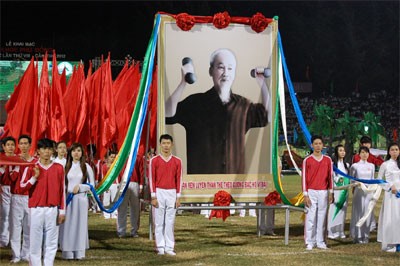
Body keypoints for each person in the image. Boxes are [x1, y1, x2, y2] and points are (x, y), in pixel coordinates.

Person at [165, 48, 271, 174]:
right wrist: (183, 82)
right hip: (202, 185)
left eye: (230, 68)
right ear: (211, 71)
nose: (226, 73)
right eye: (221, 67)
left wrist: (262, 83)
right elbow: (167, 114)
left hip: (234, 185)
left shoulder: (243, 105)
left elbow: (267, 117)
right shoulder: (195, 103)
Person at [19, 138, 66, 266]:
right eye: (44, 149)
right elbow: (21, 187)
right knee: (35, 241)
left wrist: (62, 211)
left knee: (51, 242)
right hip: (36, 209)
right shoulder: (31, 167)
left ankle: (48, 264)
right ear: (38, 151)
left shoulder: (59, 168)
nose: (47, 151)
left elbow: (63, 191)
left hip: (52, 209)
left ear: (53, 151)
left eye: (50, 149)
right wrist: (34, 177)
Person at [59, 142, 95, 260]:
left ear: (82, 153)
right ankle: (67, 252)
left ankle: (79, 252)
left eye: (79, 151)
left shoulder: (86, 167)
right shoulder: (66, 167)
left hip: (81, 199)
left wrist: (81, 187)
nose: (76, 153)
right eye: (74, 150)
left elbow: (92, 185)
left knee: (80, 224)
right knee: (67, 224)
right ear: (70, 152)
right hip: (68, 199)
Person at [150, 134, 182, 255]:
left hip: (172, 193)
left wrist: (178, 197)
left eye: (168, 143)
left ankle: (169, 247)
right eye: (164, 143)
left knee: (170, 221)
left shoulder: (177, 161)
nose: (166, 146)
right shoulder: (154, 161)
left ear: (172, 145)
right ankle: (160, 246)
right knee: (159, 221)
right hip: (159, 191)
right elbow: (152, 178)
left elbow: (179, 179)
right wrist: (153, 196)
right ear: (160, 145)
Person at [302, 135, 334, 250]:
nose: (318, 146)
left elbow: (330, 177)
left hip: (324, 192)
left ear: (323, 145)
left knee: (322, 217)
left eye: (320, 143)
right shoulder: (307, 160)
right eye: (315, 144)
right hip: (311, 192)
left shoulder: (328, 160)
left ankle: (320, 241)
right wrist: (305, 194)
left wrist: (331, 192)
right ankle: (309, 241)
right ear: (312, 145)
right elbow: (304, 178)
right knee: (311, 216)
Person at [9, 135, 37, 263]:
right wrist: (16, 164)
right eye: (21, 143)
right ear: (18, 146)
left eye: (26, 143)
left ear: (30, 145)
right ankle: (16, 255)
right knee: (15, 227)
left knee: (29, 227)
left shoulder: (35, 162)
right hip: (16, 197)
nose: (24, 146)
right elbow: (11, 179)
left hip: (30, 198)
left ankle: (26, 253)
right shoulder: (14, 160)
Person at [352, 135, 383, 232]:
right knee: (359, 207)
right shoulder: (356, 157)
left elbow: (380, 163)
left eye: (368, 143)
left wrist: (379, 156)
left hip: (370, 187)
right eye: (364, 144)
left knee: (370, 205)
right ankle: (358, 227)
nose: (367, 145)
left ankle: (371, 224)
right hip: (359, 187)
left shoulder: (372, 156)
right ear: (361, 145)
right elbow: (353, 174)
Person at [349, 146, 376, 244]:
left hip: (368, 192)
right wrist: (358, 184)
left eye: (366, 152)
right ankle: (358, 235)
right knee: (359, 212)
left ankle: (366, 235)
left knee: (367, 212)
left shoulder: (372, 166)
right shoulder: (355, 166)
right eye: (363, 152)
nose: (365, 154)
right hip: (359, 192)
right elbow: (351, 179)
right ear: (359, 154)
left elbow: (372, 179)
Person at [377, 143, 400, 252]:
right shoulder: (385, 164)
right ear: (389, 152)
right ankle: (391, 242)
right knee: (391, 217)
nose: (394, 152)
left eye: (396, 149)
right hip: (391, 196)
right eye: (392, 150)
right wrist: (390, 187)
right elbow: (379, 180)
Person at [117, 155, 144, 238]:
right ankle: (121, 231)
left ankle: (134, 231)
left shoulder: (138, 157)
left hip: (134, 183)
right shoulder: (122, 155)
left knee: (135, 209)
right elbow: (117, 169)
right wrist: (118, 183)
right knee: (122, 208)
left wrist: (141, 185)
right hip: (123, 183)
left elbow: (141, 170)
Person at [327, 144, 350, 239]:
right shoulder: (333, 165)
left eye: (343, 150)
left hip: (345, 191)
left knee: (343, 211)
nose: (342, 152)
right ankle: (331, 230)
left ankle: (340, 230)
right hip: (336, 190)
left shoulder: (347, 165)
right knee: (334, 209)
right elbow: (332, 178)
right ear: (336, 152)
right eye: (340, 150)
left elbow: (348, 178)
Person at [0, 136, 17, 247]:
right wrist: (3, 167)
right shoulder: (1, 159)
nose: (11, 147)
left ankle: (13, 239)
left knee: (15, 216)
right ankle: (3, 239)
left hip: (16, 190)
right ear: (3, 147)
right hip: (4, 188)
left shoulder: (19, 158)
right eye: (8, 145)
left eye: (12, 145)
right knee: (5, 214)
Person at [102, 150, 119, 219]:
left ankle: (115, 213)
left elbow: (118, 175)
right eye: (111, 157)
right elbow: (103, 177)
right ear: (108, 157)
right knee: (106, 200)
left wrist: (118, 184)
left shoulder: (116, 166)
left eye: (114, 157)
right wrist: (105, 186)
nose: (113, 158)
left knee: (114, 200)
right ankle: (106, 214)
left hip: (115, 184)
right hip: (107, 185)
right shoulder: (104, 166)